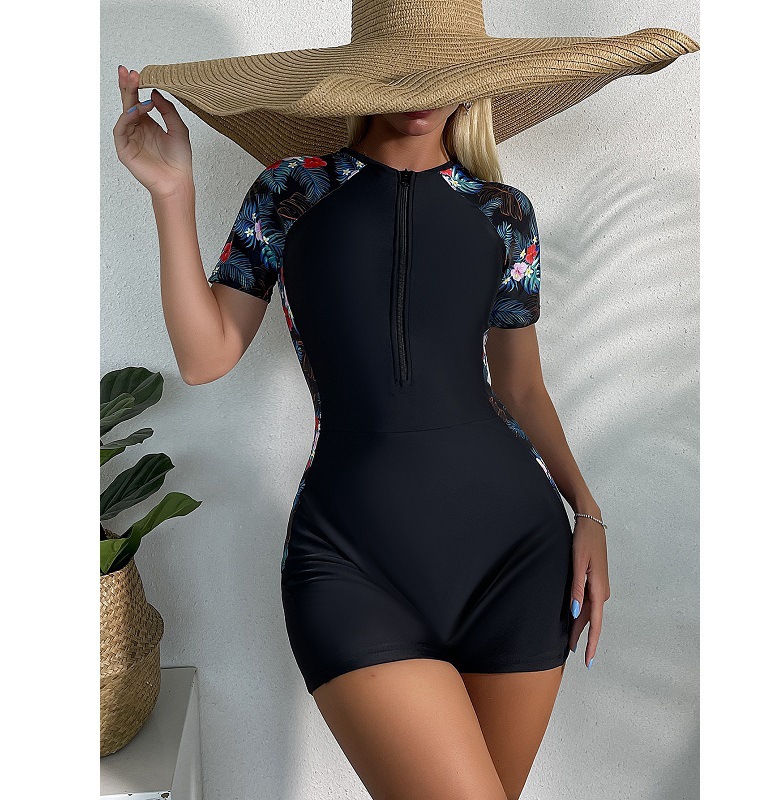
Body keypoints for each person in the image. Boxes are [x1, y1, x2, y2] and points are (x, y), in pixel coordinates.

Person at [112, 3, 697, 797]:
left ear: (478, 81)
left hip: (517, 560)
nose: (422, 96)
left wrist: (588, 513)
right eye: (400, 75)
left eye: (443, 75)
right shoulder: (292, 191)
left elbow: (521, 385)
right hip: (350, 562)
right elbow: (205, 355)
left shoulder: (503, 213)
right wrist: (171, 193)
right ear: (360, 78)